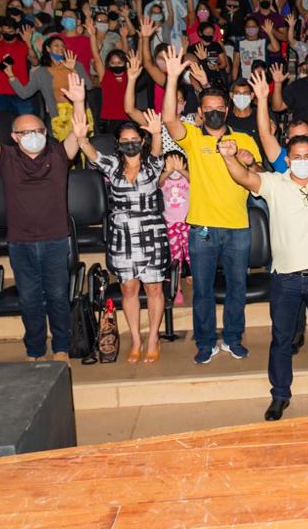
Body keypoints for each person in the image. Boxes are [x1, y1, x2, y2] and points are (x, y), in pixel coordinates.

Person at [216, 99, 308, 421]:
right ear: (287, 159)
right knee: (281, 339)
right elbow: (244, 178)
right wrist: (228, 158)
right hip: (284, 279)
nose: (302, 162)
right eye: (295, 158)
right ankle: (280, 395)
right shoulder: (273, 184)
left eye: (307, 157)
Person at [0, 72, 86, 361]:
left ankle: (61, 347)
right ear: (15, 137)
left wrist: (79, 102)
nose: (34, 137)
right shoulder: (7, 158)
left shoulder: (58, 155)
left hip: (54, 241)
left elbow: (78, 134)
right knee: (29, 300)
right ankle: (35, 351)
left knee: (57, 298)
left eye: (38, 131)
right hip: (20, 243)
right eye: (26, 133)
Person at [162, 46, 262, 365]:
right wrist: (174, 77)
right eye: (209, 108)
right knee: (203, 289)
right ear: (201, 113)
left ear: (227, 109)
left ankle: (232, 338)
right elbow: (168, 118)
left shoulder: (245, 139)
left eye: (220, 107)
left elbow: (259, 178)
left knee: (237, 287)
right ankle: (205, 342)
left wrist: (247, 161)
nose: (215, 112)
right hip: (202, 227)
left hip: (238, 228)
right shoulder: (193, 138)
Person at [76, 112, 170, 363]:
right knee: (128, 288)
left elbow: (159, 153)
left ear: (142, 141)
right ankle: (136, 340)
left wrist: (157, 132)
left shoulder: (152, 165)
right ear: (118, 143)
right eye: (125, 140)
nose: (131, 143)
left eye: (135, 139)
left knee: (154, 287)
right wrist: (82, 139)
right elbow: (93, 155)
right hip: (123, 232)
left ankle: (152, 338)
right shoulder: (113, 166)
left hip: (151, 230)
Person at [160, 151, 190, 307]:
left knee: (192, 255)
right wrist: (168, 171)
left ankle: (199, 285)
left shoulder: (187, 178)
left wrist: (182, 170)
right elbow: (157, 183)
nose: (174, 167)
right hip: (171, 224)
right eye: (169, 163)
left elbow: (196, 181)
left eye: (177, 163)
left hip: (188, 223)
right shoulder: (164, 181)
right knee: (175, 257)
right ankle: (177, 288)